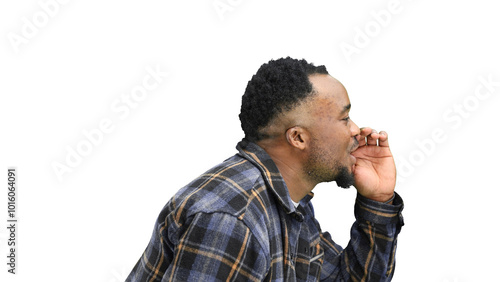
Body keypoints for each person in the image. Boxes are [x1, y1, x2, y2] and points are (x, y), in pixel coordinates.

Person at [126, 57, 404, 281]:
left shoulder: (289, 202)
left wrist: (377, 200)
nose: (356, 130)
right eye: (344, 118)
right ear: (298, 137)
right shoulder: (233, 220)